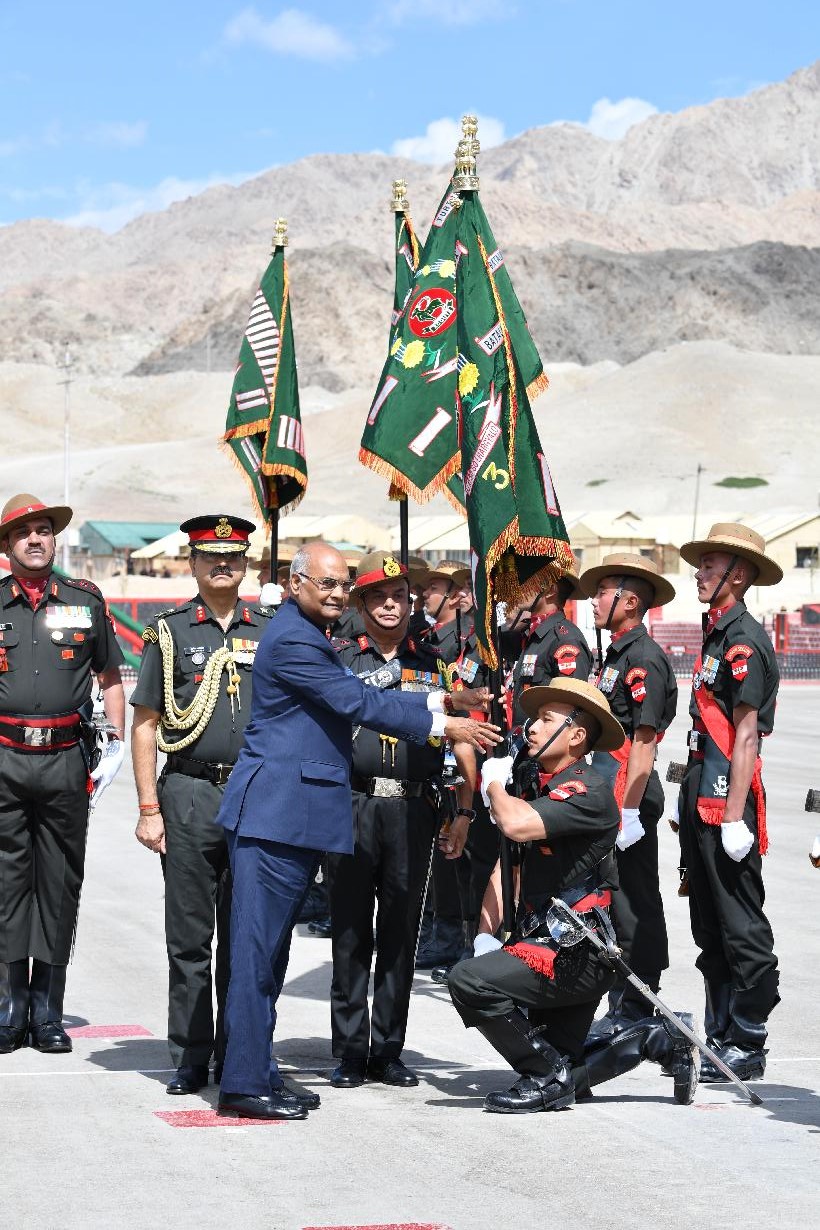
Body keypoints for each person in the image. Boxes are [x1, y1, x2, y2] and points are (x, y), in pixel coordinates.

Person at [214, 541, 501, 1120]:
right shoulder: (296, 639)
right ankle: (243, 1081)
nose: (337, 593)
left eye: (343, 583)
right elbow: (355, 700)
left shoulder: (307, 633)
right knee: (256, 955)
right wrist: (445, 724)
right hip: (276, 814)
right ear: (295, 584)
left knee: (270, 956)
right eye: (327, 583)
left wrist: (444, 696)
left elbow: (364, 694)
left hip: (294, 816)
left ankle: (259, 1069)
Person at [447, 677, 697, 1112]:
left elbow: (515, 825)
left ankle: (546, 1078)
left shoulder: (587, 790)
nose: (532, 728)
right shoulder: (540, 782)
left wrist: (493, 785)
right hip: (546, 942)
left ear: (577, 736)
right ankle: (655, 1039)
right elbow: (508, 867)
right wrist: (486, 934)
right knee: (566, 1067)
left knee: (468, 981)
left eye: (546, 720)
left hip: (575, 954)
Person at [327, 552, 487, 1089]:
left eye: (399, 595)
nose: (390, 605)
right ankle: (350, 1051)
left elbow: (461, 740)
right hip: (352, 805)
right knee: (351, 930)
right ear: (361, 604)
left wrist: (464, 810)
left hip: (414, 810)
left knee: (400, 932)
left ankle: (387, 1050)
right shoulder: (341, 660)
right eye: (378, 596)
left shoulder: (435, 663)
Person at [131, 513, 275, 1097]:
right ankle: (190, 1055)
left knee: (247, 937)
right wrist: (148, 807)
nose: (223, 564)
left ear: (246, 564)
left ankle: (237, 1052)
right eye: (211, 556)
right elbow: (146, 724)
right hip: (189, 794)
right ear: (192, 563)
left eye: (233, 556)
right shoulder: (169, 633)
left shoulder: (269, 631)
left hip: (255, 796)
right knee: (190, 938)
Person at [0, 494, 125, 1055]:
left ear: (54, 540)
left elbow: (111, 677)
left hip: (65, 760)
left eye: (44, 530)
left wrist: (114, 744)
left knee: (59, 881)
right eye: (23, 532)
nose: (35, 539)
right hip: (4, 758)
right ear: (8, 545)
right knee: (6, 882)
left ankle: (48, 1012)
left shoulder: (85, 601)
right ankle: (10, 1008)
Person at [676, 523, 782, 1081]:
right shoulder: (716, 633)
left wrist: (736, 815)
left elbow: (745, 736)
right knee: (709, 920)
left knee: (740, 922)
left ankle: (749, 1038)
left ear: (737, 575)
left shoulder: (744, 640)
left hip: (727, 796)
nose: (699, 574)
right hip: (702, 783)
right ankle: (720, 1033)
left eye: (710, 567)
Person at [579, 553, 677, 1038]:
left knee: (635, 902)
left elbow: (644, 740)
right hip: (609, 790)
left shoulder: (643, 658)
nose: (594, 601)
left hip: (629, 792)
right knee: (615, 903)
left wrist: (631, 810)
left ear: (630, 602)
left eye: (602, 593)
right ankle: (623, 997)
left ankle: (639, 1001)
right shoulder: (617, 654)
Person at [501, 562, 592, 728]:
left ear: (550, 590)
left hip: (545, 741)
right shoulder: (533, 634)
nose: (518, 587)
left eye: (527, 581)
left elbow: (568, 712)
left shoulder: (565, 639)